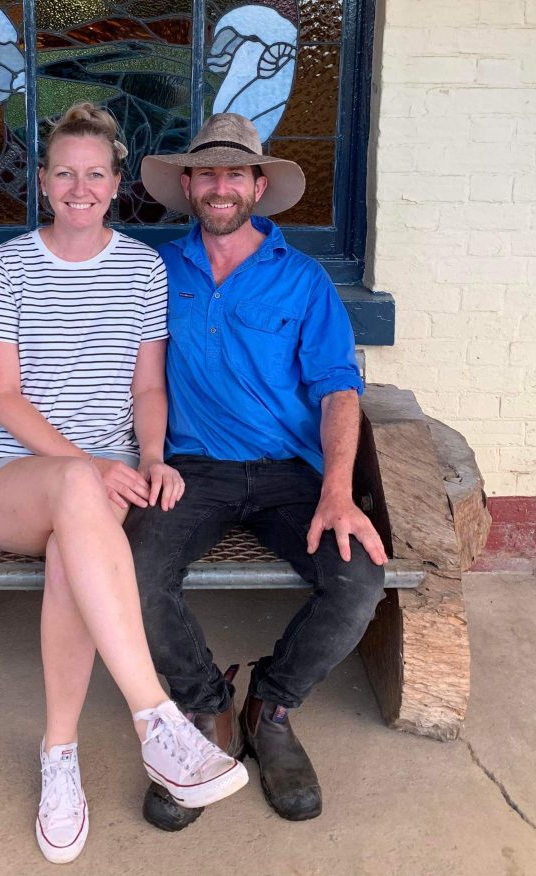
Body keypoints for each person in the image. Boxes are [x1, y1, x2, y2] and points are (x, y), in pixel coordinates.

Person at [0, 103, 248, 864]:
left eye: (95, 174)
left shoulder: (142, 270)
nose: (79, 188)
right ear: (43, 182)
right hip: (13, 478)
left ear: (117, 184)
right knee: (73, 491)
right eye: (65, 173)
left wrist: (152, 456)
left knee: (74, 549)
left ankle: (59, 757)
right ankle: (155, 717)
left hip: (105, 489)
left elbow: (148, 387)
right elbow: (4, 399)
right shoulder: (7, 266)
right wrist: (87, 465)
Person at [125, 112, 389, 831]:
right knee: (134, 574)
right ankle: (207, 708)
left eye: (234, 173)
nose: (221, 186)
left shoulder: (303, 281)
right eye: (206, 173)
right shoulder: (153, 271)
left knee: (359, 582)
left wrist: (338, 492)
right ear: (187, 186)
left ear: (257, 186)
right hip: (190, 470)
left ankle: (270, 708)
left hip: (289, 474)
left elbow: (339, 391)